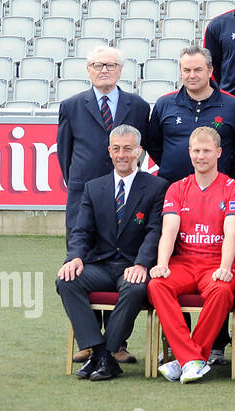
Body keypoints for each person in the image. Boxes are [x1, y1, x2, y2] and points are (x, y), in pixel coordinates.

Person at [56, 125, 169, 381]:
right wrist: (73, 257)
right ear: (109, 151)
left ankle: (103, 354)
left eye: (128, 149)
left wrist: (142, 264)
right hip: (101, 265)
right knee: (66, 280)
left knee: (135, 288)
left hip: (134, 266)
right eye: (116, 149)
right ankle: (101, 353)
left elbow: (155, 231)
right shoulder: (93, 188)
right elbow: (82, 231)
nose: (122, 155)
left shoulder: (157, 187)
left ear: (139, 151)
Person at [148, 127, 235, 383]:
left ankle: (186, 360)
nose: (201, 156)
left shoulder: (233, 189)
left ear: (218, 152)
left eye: (206, 151)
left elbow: (232, 233)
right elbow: (169, 232)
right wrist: (161, 264)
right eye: (196, 151)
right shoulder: (177, 188)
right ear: (189, 152)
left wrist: (226, 266)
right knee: (157, 285)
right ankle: (191, 359)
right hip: (185, 262)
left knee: (223, 289)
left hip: (215, 262)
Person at [56, 45, 151, 239]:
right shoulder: (71, 106)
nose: (104, 70)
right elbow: (65, 153)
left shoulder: (138, 106)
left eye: (110, 65)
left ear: (120, 70)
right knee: (80, 257)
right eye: (97, 65)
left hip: (126, 192)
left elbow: (143, 147)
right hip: (83, 192)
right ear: (88, 70)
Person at [146, 45, 235, 184]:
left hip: (219, 190)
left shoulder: (234, 106)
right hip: (171, 188)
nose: (192, 75)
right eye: (187, 70)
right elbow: (153, 145)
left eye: (198, 70)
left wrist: (227, 177)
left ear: (210, 71)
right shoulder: (164, 104)